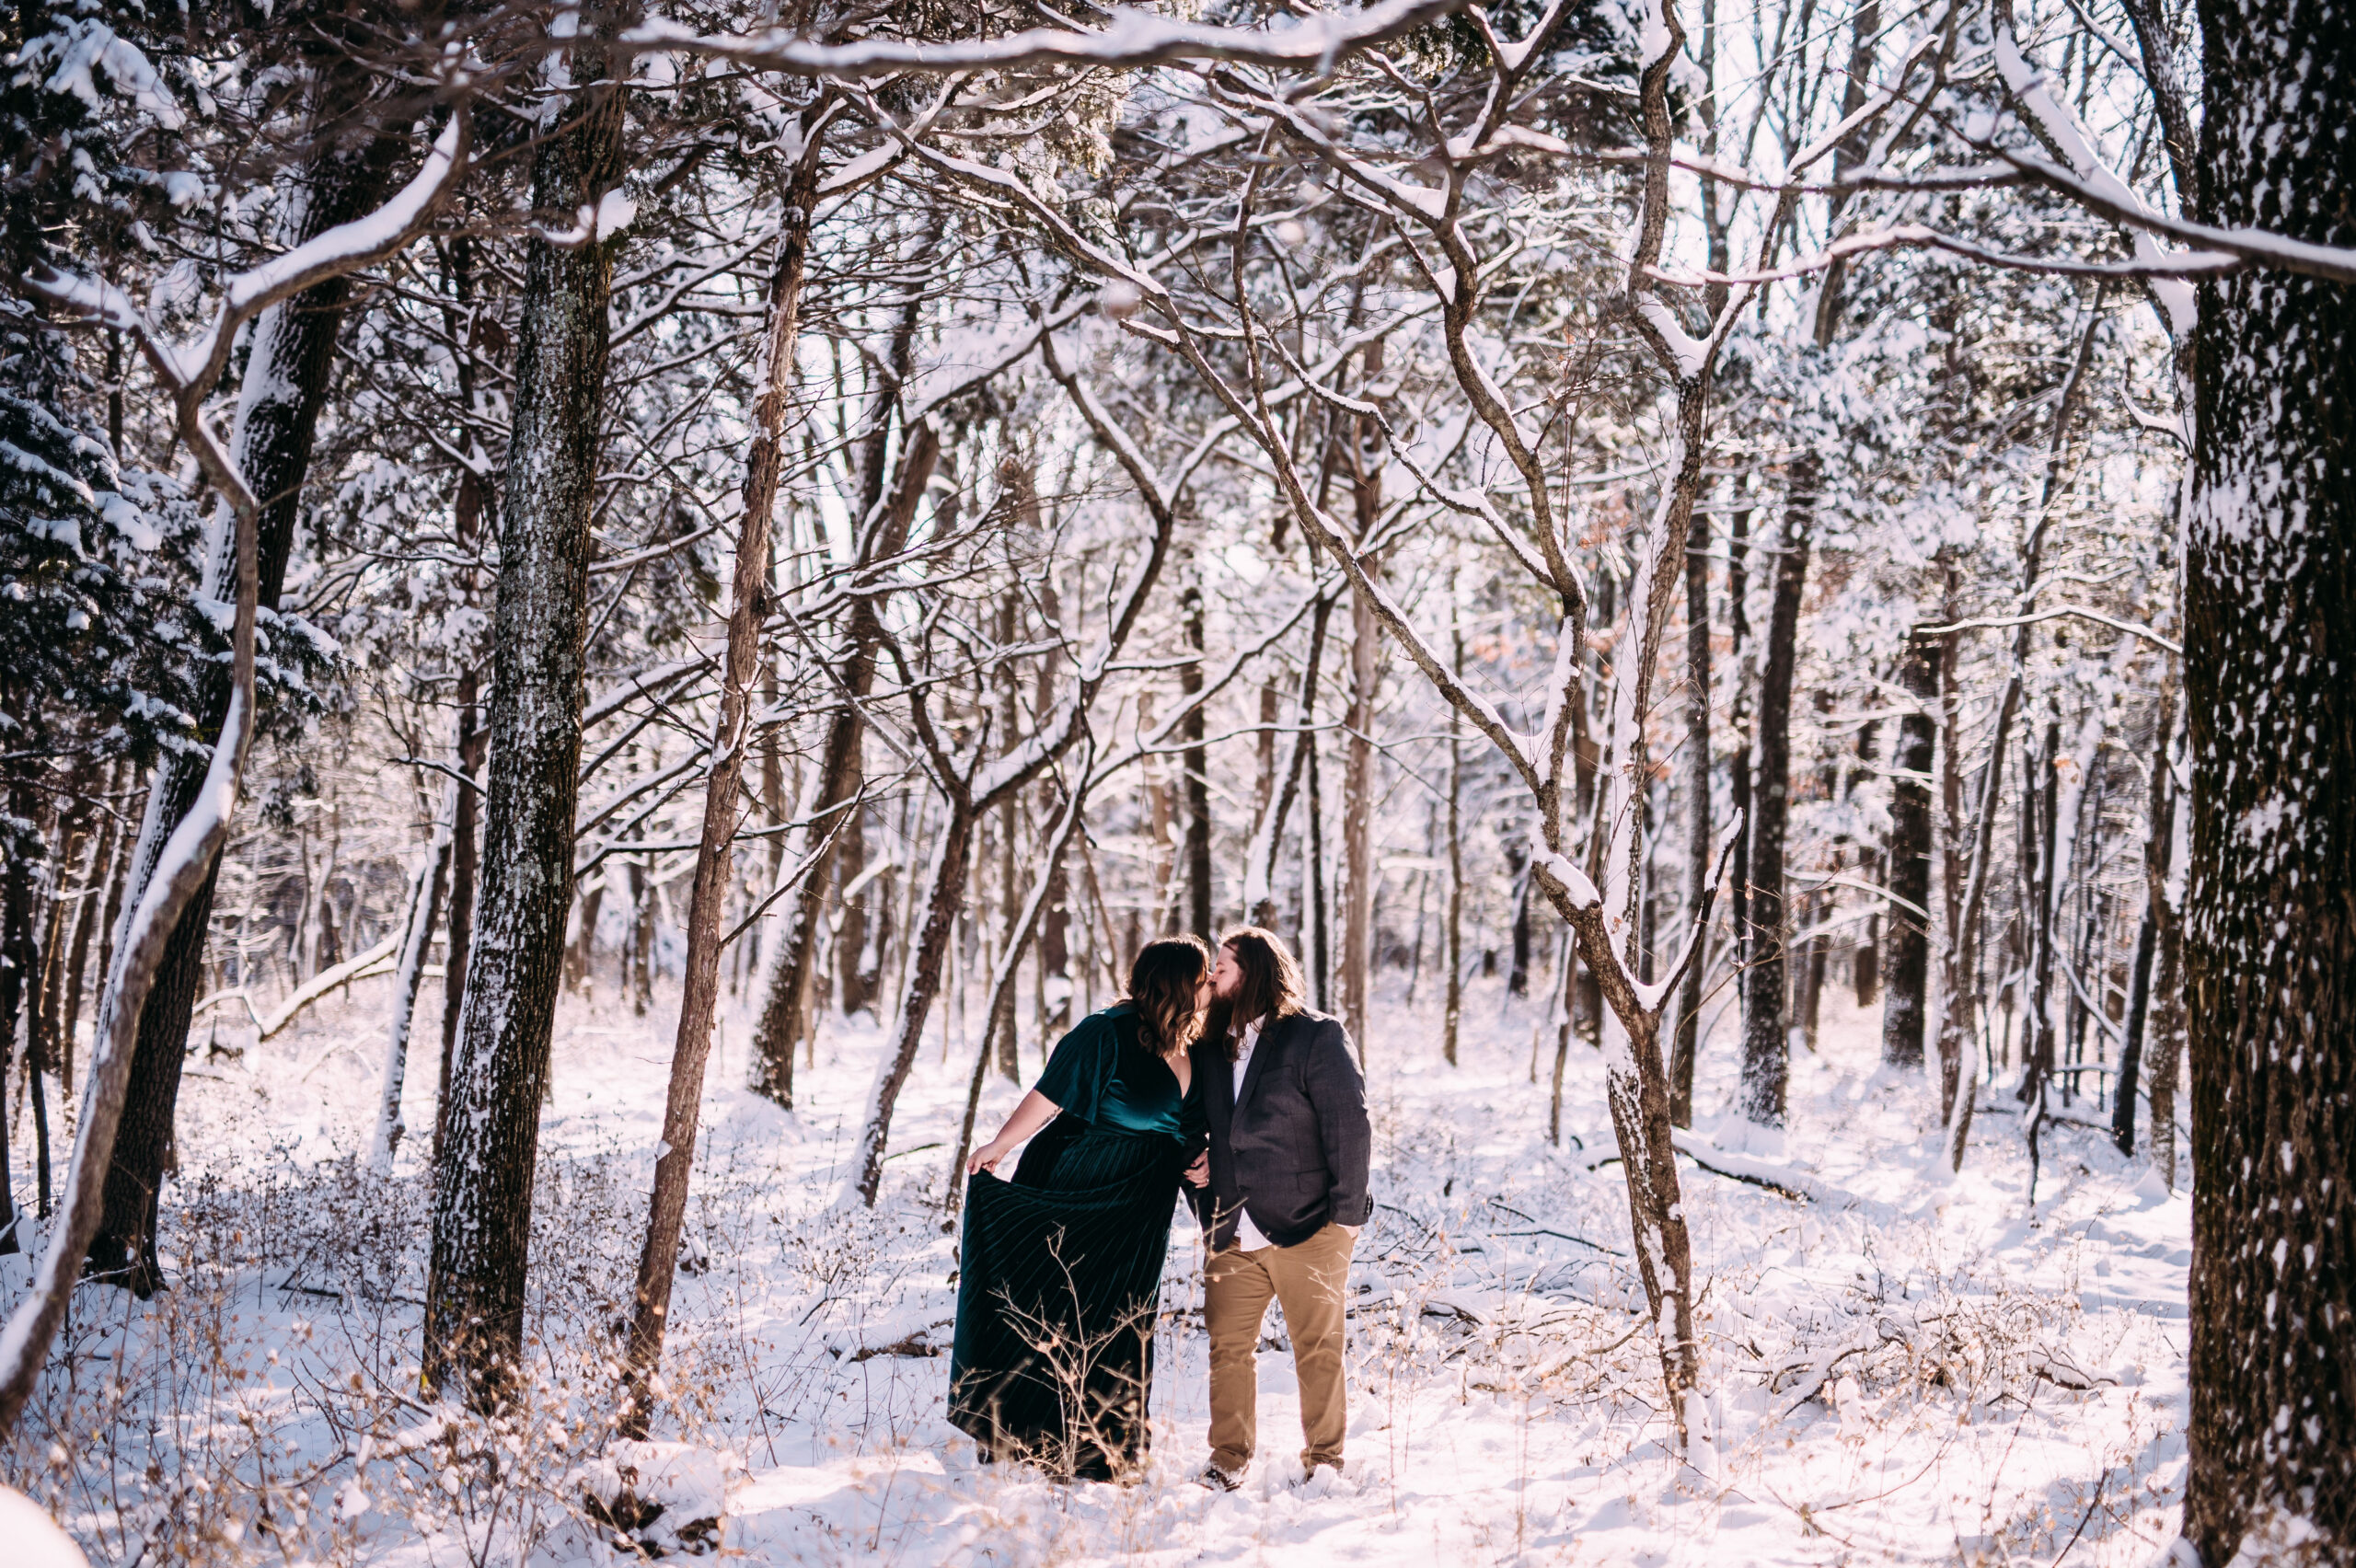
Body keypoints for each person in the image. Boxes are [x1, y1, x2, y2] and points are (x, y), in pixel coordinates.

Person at [948, 936, 1208, 1481]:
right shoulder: (1105, 1032)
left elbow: (1184, 1125)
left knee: (1124, 1314)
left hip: (1141, 1204)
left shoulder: (1193, 1043)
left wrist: (1199, 1156)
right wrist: (1000, 1145)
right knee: (1057, 1301)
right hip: (1083, 1181)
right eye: (1203, 977)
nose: (1210, 986)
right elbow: (1050, 1095)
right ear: (1177, 984)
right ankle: (1022, 1432)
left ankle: (1105, 1444)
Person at [1183, 926, 1371, 1491]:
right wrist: (1197, 1171)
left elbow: (1350, 1125)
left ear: (1254, 973)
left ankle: (1324, 1462)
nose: (1212, 974)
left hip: (1309, 1225)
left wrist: (1345, 1220)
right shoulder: (1207, 1046)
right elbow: (1193, 1124)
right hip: (1231, 1228)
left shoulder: (1315, 1036)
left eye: (1222, 966)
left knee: (1318, 1349)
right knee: (1227, 1349)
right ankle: (1228, 1458)